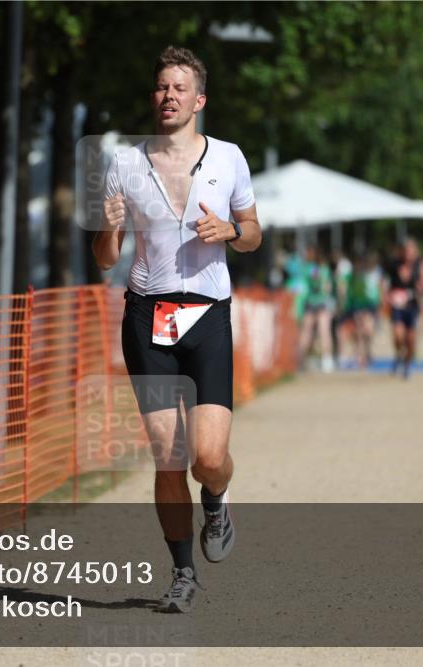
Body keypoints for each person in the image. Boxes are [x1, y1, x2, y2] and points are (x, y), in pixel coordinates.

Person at [91, 46, 261, 613]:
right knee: (169, 454)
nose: (169, 96)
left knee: (207, 457)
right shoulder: (124, 163)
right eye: (162, 87)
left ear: (199, 99)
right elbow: (103, 258)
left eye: (179, 88)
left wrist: (231, 230)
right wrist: (109, 231)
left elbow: (255, 232)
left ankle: (217, 499)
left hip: (208, 314)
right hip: (148, 313)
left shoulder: (230, 157)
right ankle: (183, 573)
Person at [384, 238, 423, 379]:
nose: (408, 253)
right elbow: (386, 283)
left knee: (411, 340)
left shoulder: (419, 265)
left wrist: (421, 290)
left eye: (411, 250)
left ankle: (407, 366)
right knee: (398, 335)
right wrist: (388, 296)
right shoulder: (393, 264)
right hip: (397, 307)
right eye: (406, 250)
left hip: (412, 306)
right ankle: (398, 355)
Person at [298, 245, 336, 372]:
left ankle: (304, 360)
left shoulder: (310, 269)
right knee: (320, 331)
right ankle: (325, 360)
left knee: (313, 331)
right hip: (318, 302)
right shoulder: (321, 268)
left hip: (315, 302)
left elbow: (308, 286)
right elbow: (327, 287)